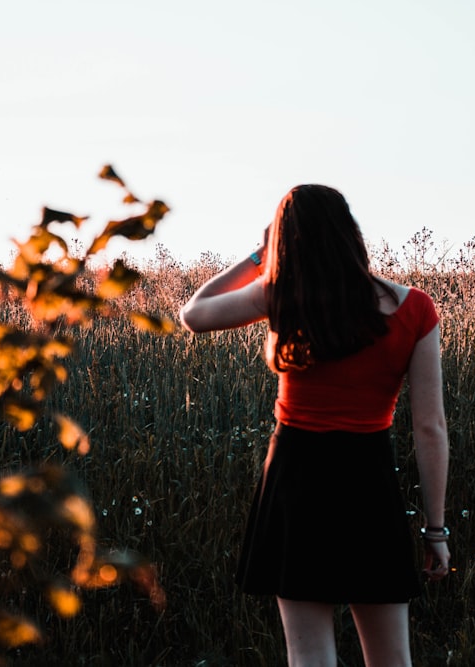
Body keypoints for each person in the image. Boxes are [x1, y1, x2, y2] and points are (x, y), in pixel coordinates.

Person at [179, 184, 450, 667]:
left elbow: (193, 314)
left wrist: (259, 256)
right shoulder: (415, 310)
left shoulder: (282, 296)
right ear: (351, 233)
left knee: (309, 658)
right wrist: (436, 530)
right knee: (391, 661)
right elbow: (429, 428)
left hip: (296, 480)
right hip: (369, 482)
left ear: (289, 240)